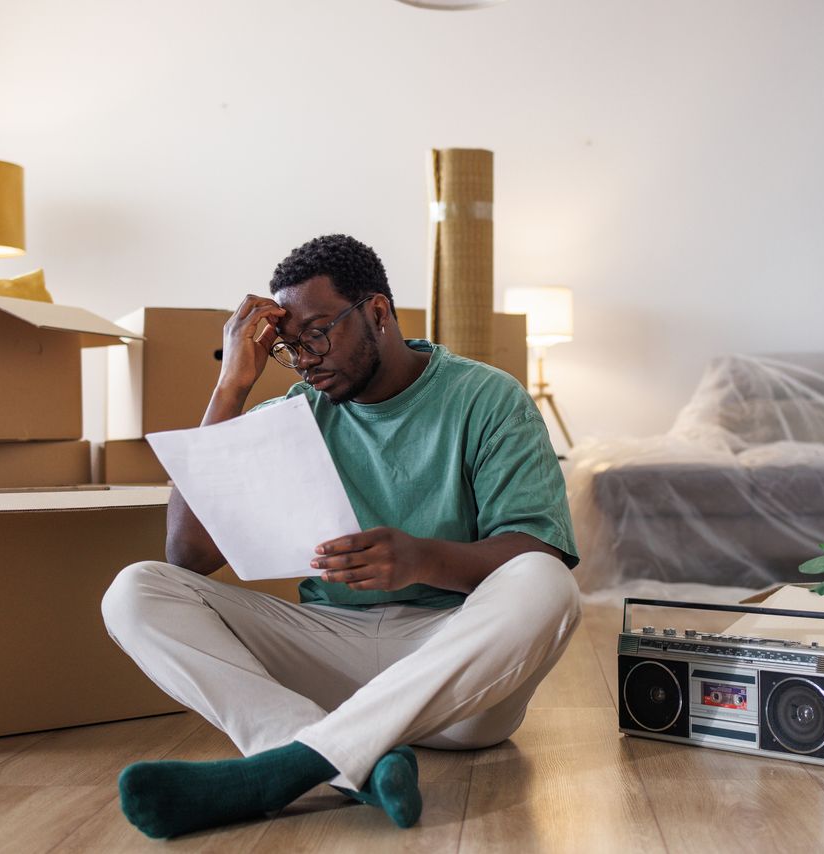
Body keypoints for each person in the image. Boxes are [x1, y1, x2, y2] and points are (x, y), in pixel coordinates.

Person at [100, 234, 580, 838]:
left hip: (456, 673)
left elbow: (533, 549)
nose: (305, 359)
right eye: (290, 346)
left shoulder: (487, 398)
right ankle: (347, 757)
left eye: (318, 333)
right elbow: (187, 554)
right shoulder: (292, 413)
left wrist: (419, 559)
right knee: (137, 589)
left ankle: (293, 765)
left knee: (547, 581)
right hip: (328, 650)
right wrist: (232, 387)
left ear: (377, 313)